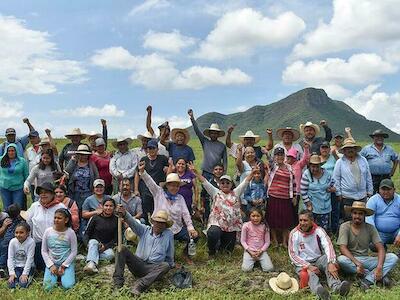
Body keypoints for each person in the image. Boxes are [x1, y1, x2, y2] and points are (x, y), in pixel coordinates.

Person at [190, 164, 256, 257]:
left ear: (231, 184)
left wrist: (252, 173)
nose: (225, 184)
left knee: (227, 251)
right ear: (219, 185)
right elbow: (204, 182)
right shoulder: (215, 192)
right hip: (217, 224)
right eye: (223, 183)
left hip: (231, 227)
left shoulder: (236, 192)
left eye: (227, 183)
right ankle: (212, 252)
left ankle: (221, 246)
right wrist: (196, 172)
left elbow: (245, 182)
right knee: (213, 233)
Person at [138, 161, 198, 262]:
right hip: (161, 228)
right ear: (167, 186)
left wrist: (191, 228)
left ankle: (185, 254)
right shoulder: (159, 193)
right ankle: (164, 258)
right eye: (172, 185)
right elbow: (150, 182)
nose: (174, 188)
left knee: (194, 236)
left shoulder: (180, 198)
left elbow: (186, 214)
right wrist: (143, 172)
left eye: (177, 186)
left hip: (176, 228)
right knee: (161, 247)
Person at [289, 210, 351, 299]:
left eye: (305, 220)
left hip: (318, 259)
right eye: (300, 220)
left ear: (311, 221)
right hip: (302, 263)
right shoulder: (294, 234)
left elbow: (328, 245)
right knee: (309, 274)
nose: (302, 223)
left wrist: (330, 262)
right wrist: (308, 266)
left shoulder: (319, 231)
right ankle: (319, 292)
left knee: (328, 260)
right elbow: (293, 255)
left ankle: (337, 287)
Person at [337, 201, 399, 290]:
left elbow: (381, 248)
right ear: (351, 214)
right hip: (351, 260)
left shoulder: (370, 228)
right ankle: (378, 277)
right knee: (341, 259)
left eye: (360, 214)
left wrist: (379, 267)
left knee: (393, 257)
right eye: (355, 213)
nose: (357, 216)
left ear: (364, 215)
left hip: (366, 259)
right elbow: (342, 248)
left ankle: (368, 280)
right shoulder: (344, 226)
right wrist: (357, 263)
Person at [113, 208, 174, 296]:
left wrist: (171, 265)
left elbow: (169, 254)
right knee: (121, 248)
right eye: (157, 222)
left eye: (162, 223)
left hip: (153, 268)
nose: (159, 225)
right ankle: (118, 284)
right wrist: (125, 213)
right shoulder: (144, 230)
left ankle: (139, 286)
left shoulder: (168, 234)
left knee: (166, 265)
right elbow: (132, 223)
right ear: (153, 222)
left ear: (165, 225)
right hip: (138, 264)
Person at [26, 182, 66, 271]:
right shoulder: (35, 206)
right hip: (38, 243)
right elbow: (28, 222)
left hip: (56, 244)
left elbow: (67, 225)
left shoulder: (60, 207)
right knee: (41, 269)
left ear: (52, 194)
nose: (43, 194)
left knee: (56, 269)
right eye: (41, 192)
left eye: (46, 192)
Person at [332, 138, 373, 221]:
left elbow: (368, 176)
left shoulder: (363, 160)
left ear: (355, 149)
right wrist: (338, 193)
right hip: (347, 196)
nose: (350, 150)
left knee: (361, 218)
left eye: (352, 148)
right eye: (347, 148)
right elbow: (336, 179)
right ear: (344, 150)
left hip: (362, 195)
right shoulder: (340, 162)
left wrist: (370, 191)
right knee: (348, 218)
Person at [266, 147, 296, 248]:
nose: (279, 157)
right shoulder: (273, 166)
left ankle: (284, 241)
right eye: (277, 155)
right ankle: (274, 240)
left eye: (281, 155)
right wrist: (266, 153)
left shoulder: (289, 168)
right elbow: (269, 160)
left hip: (286, 198)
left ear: (284, 156)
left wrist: (294, 196)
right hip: (273, 197)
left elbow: (294, 183)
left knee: (285, 220)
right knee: (272, 219)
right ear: (274, 156)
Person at [41, 208, 77, 290]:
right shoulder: (48, 232)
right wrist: (50, 265)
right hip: (52, 263)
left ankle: (64, 276)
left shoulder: (71, 233)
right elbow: (44, 251)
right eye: (55, 217)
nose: (56, 220)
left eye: (59, 218)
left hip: (66, 263)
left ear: (66, 220)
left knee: (68, 286)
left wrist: (64, 266)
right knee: (47, 288)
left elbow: (74, 251)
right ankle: (56, 277)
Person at [135, 139, 168, 224]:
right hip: (145, 189)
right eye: (149, 148)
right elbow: (137, 174)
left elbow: (170, 170)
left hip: (159, 190)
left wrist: (167, 169)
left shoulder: (163, 159)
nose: (151, 150)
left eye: (153, 148)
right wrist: (136, 189)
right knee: (145, 209)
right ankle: (147, 227)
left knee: (158, 209)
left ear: (157, 149)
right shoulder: (143, 159)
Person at [188, 109, 227, 180]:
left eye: (215, 133)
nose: (214, 134)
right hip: (206, 172)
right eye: (212, 133)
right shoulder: (205, 142)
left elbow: (225, 161)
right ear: (209, 134)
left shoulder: (222, 146)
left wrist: (224, 173)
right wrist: (192, 118)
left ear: (218, 134)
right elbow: (197, 131)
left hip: (217, 172)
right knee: (205, 189)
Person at [83, 198, 118, 274]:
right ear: (102, 206)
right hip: (94, 243)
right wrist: (87, 244)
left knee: (110, 255)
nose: (108, 208)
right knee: (93, 242)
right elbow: (87, 233)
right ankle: (91, 265)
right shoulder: (95, 218)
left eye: (111, 206)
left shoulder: (116, 220)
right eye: (106, 205)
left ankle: (87, 258)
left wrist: (105, 247)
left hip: (105, 247)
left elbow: (116, 239)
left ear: (114, 208)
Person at [301, 155, 334, 232]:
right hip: (311, 206)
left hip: (324, 206)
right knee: (309, 228)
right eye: (313, 166)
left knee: (323, 230)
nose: (315, 169)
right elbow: (303, 191)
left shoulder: (327, 174)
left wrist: (331, 189)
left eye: (317, 166)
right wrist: (308, 204)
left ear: (320, 165)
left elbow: (333, 184)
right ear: (310, 166)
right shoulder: (306, 174)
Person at [360, 129, 398, 194]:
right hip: (371, 178)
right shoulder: (366, 149)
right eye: (377, 136)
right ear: (373, 138)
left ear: (383, 138)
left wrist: (392, 172)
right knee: (371, 194)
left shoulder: (389, 149)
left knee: (386, 194)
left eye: (381, 136)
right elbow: (359, 160)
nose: (379, 138)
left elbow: (396, 159)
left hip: (386, 177)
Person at [366, 179, 400, 251]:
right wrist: (374, 235)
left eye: (389, 189)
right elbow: (369, 219)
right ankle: (383, 250)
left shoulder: (399, 199)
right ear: (379, 190)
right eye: (383, 189)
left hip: (396, 231)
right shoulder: (373, 200)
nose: (386, 192)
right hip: (379, 233)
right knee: (372, 244)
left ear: (394, 190)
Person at [65, 144, 99, 210]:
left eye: (85, 155)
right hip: (75, 193)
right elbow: (66, 172)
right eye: (81, 154)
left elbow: (96, 177)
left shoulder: (91, 164)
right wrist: (72, 161)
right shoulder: (74, 163)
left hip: (88, 193)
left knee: (87, 211)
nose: (83, 156)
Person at [241, 207, 273, 272]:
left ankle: (258, 260)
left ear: (261, 216)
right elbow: (243, 241)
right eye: (253, 216)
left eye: (258, 216)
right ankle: (254, 260)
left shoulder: (265, 227)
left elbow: (267, 242)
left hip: (261, 251)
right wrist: (250, 252)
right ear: (249, 217)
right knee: (246, 269)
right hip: (249, 251)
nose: (255, 218)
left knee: (269, 269)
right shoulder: (246, 226)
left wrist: (261, 251)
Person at [236, 145, 265, 215]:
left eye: (252, 152)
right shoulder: (243, 164)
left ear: (255, 153)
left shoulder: (259, 163)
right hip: (245, 196)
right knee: (246, 216)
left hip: (258, 197)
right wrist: (240, 151)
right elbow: (238, 163)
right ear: (244, 155)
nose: (250, 154)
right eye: (248, 153)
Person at [7, 222, 35, 289]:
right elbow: (10, 258)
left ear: (28, 233)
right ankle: (16, 280)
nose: (18, 235)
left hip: (28, 267)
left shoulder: (31, 242)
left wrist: (25, 273)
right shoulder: (12, 242)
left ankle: (30, 275)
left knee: (23, 285)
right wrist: (11, 273)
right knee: (11, 285)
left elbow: (30, 259)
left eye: (21, 232)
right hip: (16, 267)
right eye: (16, 232)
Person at [0, 144, 29, 209]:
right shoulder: (1, 159)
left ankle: (17, 219)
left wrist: (26, 186)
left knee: (17, 207)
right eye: (9, 151)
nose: (11, 152)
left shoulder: (22, 161)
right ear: (6, 152)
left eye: (13, 150)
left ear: (16, 151)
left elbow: (26, 174)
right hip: (4, 187)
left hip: (18, 188)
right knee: (7, 207)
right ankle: (7, 219)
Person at [319, 141, 339, 233]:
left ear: (329, 149)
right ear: (320, 149)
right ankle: (322, 230)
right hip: (320, 190)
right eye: (322, 147)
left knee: (334, 210)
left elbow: (340, 168)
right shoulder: (317, 159)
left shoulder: (334, 158)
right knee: (322, 210)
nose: (324, 149)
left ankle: (334, 230)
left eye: (326, 147)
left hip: (333, 189)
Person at [0, 204, 24, 277]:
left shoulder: (6, 220)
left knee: (4, 253)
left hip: (5, 241)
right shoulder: (21, 221)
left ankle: (2, 267)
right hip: (14, 240)